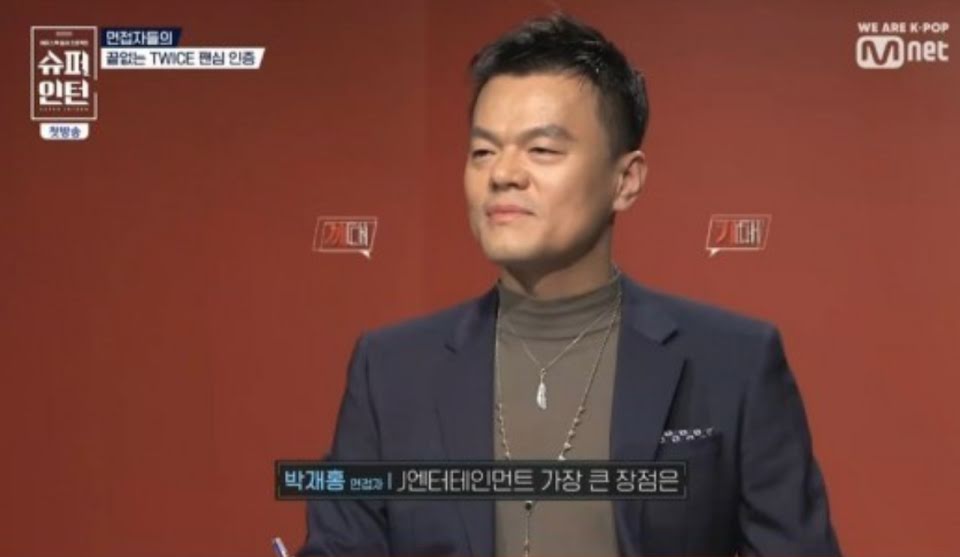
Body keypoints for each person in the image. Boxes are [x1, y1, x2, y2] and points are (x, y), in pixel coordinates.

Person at [298, 12, 841, 557]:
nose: (503, 174)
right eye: (483, 151)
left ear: (625, 180)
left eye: (542, 150)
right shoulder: (390, 371)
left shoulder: (734, 363)